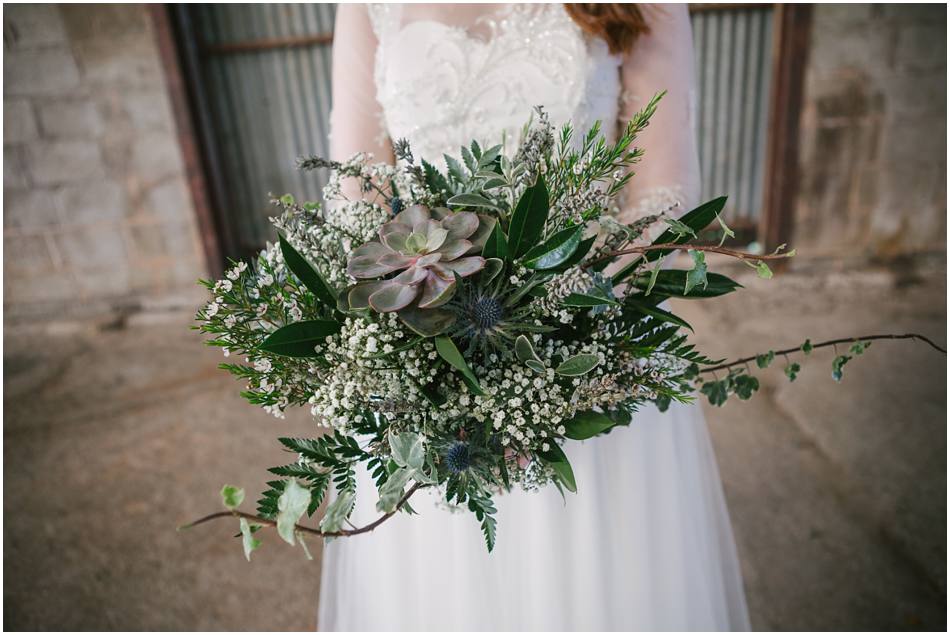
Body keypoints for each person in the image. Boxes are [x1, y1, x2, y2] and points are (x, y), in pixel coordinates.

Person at [320, 4, 750, 630]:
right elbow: (353, 191)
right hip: (421, 357)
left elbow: (663, 198)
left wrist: (556, 332)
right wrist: (419, 341)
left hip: (593, 349)